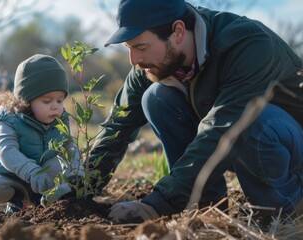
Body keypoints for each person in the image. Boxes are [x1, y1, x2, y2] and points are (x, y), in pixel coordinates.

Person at [85, 0, 303, 222]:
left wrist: (159, 203)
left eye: (141, 47)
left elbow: (224, 128)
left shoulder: (248, 45)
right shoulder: (152, 62)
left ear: (178, 31)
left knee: (252, 118)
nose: (134, 60)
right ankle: (206, 206)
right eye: (129, 48)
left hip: (290, 147)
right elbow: (118, 125)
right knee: (156, 98)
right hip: (243, 146)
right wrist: (82, 187)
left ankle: (283, 209)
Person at [0, 54, 81, 213]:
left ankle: (42, 197)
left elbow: (69, 146)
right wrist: (32, 171)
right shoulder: (8, 119)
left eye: (60, 100)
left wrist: (77, 170)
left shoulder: (60, 117)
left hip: (43, 175)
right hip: (11, 176)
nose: (55, 107)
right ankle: (17, 200)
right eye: (47, 101)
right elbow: (6, 150)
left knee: (58, 165)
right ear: (26, 100)